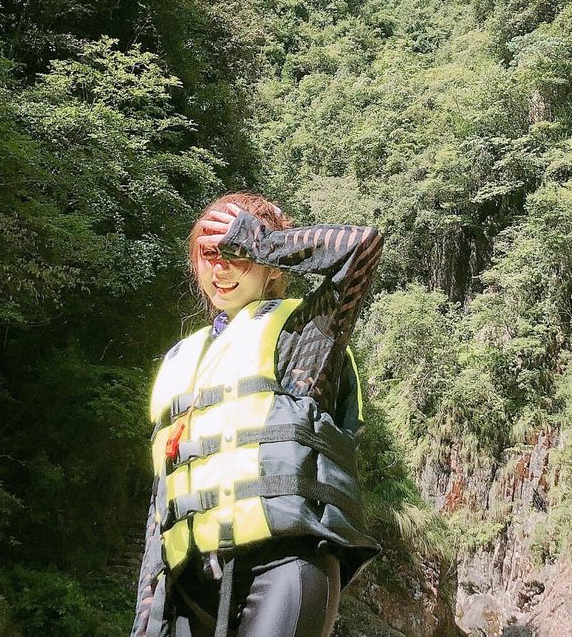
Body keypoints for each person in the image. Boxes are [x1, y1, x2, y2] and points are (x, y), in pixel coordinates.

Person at [131, 191, 384, 637]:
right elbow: (161, 513)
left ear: (268, 264)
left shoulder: (304, 337)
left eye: (237, 252)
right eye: (209, 253)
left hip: (285, 566)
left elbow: (362, 247)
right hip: (190, 586)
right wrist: (146, 619)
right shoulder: (179, 363)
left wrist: (265, 240)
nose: (221, 266)